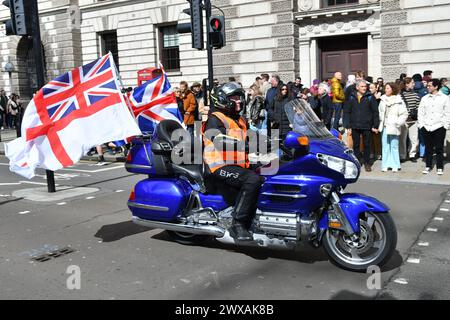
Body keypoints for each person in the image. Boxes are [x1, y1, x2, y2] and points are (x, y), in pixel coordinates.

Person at [204, 82, 265, 241]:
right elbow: (218, 140)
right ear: (222, 99)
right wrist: (246, 145)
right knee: (252, 179)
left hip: (236, 164)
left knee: (268, 170)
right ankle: (237, 223)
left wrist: (276, 141)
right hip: (218, 166)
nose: (239, 101)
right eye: (234, 98)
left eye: (240, 98)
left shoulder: (239, 119)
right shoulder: (215, 118)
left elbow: (253, 137)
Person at [344, 80, 380, 172]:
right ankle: (358, 161)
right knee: (356, 145)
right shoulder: (351, 97)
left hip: (367, 125)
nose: (364, 88)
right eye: (362, 86)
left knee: (367, 145)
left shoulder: (370, 97)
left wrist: (375, 125)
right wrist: (347, 125)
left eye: (365, 86)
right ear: (357, 87)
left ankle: (367, 163)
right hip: (355, 125)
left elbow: (375, 112)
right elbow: (347, 112)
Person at [418, 79, 450, 175]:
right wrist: (421, 125)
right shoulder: (425, 98)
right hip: (426, 126)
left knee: (439, 148)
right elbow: (421, 112)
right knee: (428, 148)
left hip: (439, 126)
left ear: (436, 87)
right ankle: (428, 166)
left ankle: (440, 167)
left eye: (430, 86)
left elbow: (447, 112)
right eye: (427, 85)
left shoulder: (444, 98)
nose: (428, 87)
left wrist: (445, 125)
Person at [378, 83, 409, 173]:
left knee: (394, 146)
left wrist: (398, 123)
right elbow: (380, 112)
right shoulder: (382, 99)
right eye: (385, 88)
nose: (386, 90)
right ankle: (386, 165)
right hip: (384, 126)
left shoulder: (399, 100)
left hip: (394, 126)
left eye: (388, 88)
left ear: (392, 89)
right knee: (385, 146)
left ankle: (395, 165)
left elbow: (404, 114)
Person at [400, 77, 421, 162]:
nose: (414, 84)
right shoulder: (400, 95)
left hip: (413, 120)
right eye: (412, 82)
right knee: (402, 140)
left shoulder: (416, 95)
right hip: (404, 121)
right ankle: (402, 155)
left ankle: (412, 154)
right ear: (407, 84)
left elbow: (418, 107)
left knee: (414, 139)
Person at [369, 83, 382, 160]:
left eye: (372, 88)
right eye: (369, 88)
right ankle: (371, 152)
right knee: (370, 137)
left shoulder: (380, 98)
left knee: (377, 136)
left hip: (378, 118)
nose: (370, 89)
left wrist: (377, 99)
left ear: (376, 89)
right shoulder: (369, 97)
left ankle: (378, 152)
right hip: (370, 118)